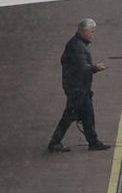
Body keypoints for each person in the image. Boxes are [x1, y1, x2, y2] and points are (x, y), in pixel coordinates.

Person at [47, 18, 110, 152]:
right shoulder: (77, 47)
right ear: (84, 31)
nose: (94, 34)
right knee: (70, 116)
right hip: (77, 89)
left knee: (87, 114)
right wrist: (95, 68)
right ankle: (54, 143)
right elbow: (82, 68)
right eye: (92, 32)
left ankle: (93, 142)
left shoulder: (76, 44)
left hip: (78, 87)